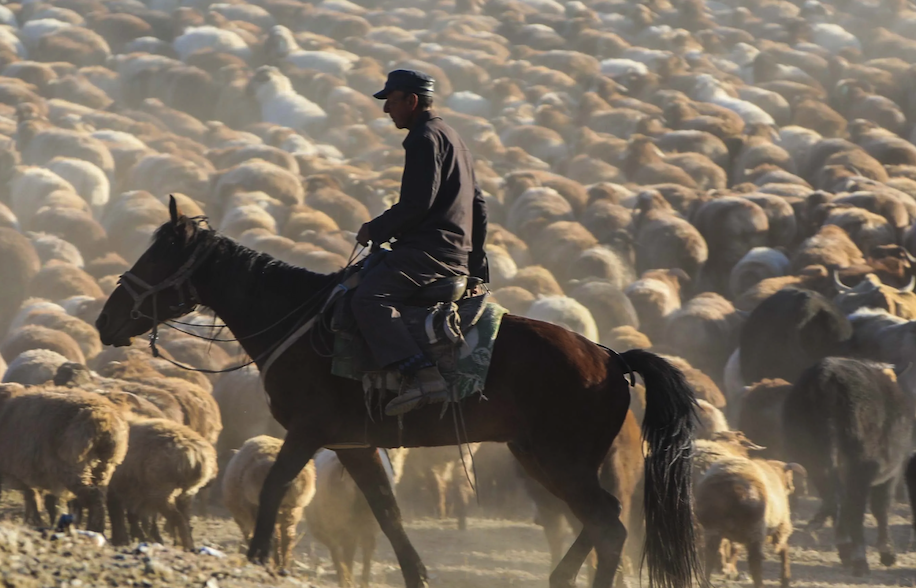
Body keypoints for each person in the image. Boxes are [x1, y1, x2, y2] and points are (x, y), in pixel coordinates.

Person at [351, 69, 489, 416]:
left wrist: (375, 229)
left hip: (429, 254)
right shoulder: (453, 137)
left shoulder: (423, 137)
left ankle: (422, 374)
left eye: (392, 101)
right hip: (454, 252)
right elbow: (479, 206)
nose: (386, 111)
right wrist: (474, 265)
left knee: (368, 297)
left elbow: (416, 204)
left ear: (412, 101)